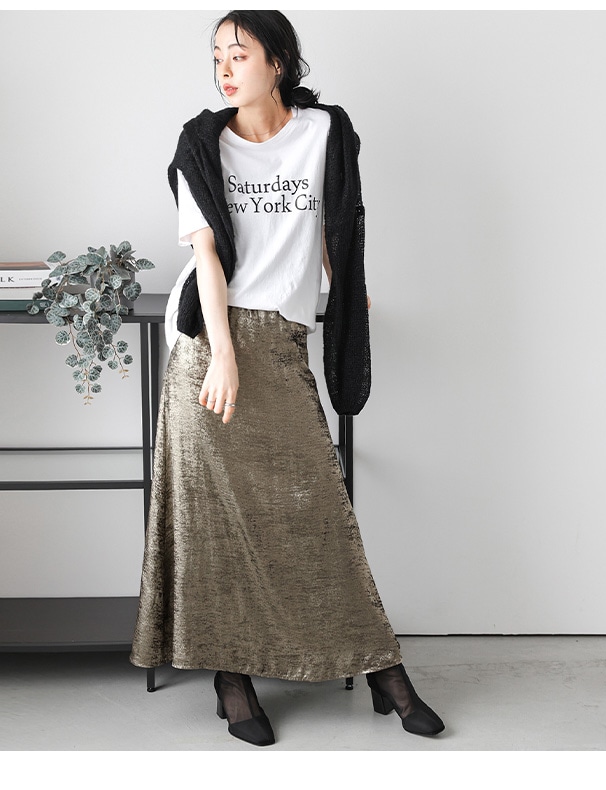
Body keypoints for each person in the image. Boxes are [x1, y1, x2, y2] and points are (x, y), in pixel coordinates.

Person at [129, 9, 444, 746]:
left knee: (317, 515)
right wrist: (224, 354)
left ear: (278, 61)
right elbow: (207, 258)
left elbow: (336, 221)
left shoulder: (324, 133)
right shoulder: (201, 145)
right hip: (210, 348)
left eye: (239, 54)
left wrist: (344, 284)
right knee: (212, 523)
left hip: (282, 344)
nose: (224, 69)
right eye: (216, 56)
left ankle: (383, 668)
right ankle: (232, 681)